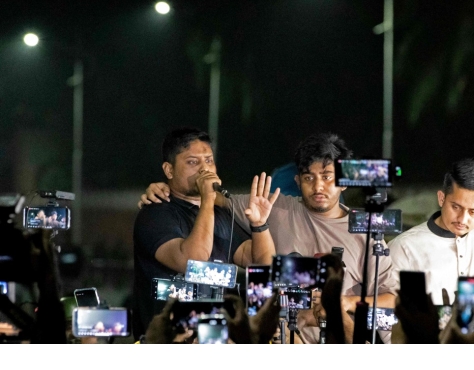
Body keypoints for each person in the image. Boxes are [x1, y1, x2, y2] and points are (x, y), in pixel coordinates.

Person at [140, 132, 396, 344]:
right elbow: (203, 195)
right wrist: (162, 187)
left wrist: (344, 303)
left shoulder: (367, 227)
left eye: (328, 177)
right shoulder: (275, 207)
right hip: (280, 343)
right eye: (309, 178)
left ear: (343, 183)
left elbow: (392, 299)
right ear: (298, 181)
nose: (318, 187)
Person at [133, 127, 278, 340]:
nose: (204, 170)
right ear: (169, 170)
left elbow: (262, 264)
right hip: (169, 340)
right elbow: (192, 259)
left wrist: (259, 224)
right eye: (193, 162)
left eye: (209, 160)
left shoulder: (218, 214)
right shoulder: (156, 213)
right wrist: (208, 198)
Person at [388, 158, 474, 306]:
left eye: (473, 212)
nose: (462, 219)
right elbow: (388, 306)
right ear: (441, 198)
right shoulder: (405, 247)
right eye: (456, 207)